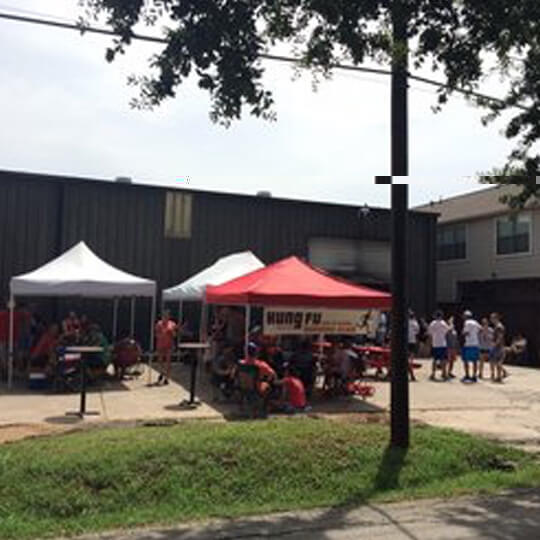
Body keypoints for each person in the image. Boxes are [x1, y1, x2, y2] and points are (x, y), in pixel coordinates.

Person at [155, 310, 178, 385]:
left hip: (169, 345)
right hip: (160, 344)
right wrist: (163, 333)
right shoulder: (159, 324)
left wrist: (171, 332)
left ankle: (167, 378)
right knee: (160, 361)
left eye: (167, 316)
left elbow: (175, 335)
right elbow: (157, 335)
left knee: (168, 362)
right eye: (164, 316)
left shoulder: (172, 324)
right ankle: (162, 372)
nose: (165, 317)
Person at [427, 310, 449, 381]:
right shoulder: (443, 323)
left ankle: (433, 374)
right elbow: (447, 331)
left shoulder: (432, 323)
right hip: (442, 343)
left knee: (434, 360)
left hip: (435, 344)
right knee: (443, 360)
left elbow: (429, 333)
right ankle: (444, 373)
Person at [462, 310, 482, 382]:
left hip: (468, 344)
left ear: (466, 316)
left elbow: (465, 332)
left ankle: (467, 375)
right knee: (475, 361)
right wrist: (475, 334)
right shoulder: (475, 322)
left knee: (465, 360)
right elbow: (481, 329)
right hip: (475, 343)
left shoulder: (466, 322)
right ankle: (474, 376)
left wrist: (464, 333)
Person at [490, 312, 507, 382]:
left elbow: (500, 337)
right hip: (498, 346)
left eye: (492, 318)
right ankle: (500, 375)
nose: (491, 319)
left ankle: (499, 377)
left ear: (496, 318)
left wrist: (495, 344)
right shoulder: (497, 326)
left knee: (498, 362)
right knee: (496, 362)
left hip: (499, 346)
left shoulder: (499, 327)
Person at [408, 310, 420, 382]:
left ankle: (411, 374)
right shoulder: (415, 323)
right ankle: (412, 375)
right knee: (410, 359)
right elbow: (417, 332)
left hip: (405, 342)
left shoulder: (404, 322)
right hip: (412, 342)